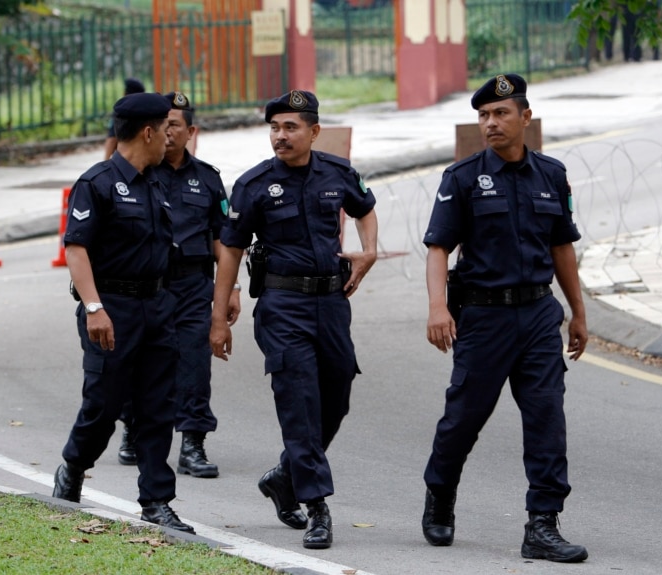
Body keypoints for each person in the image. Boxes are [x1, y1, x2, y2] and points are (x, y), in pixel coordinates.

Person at [419, 73, 588, 563]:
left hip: (538, 314)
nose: (490, 123)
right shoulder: (464, 179)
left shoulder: (551, 175)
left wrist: (578, 312)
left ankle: (542, 524)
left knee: (546, 418)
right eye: (484, 116)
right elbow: (437, 248)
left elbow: (562, 246)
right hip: (484, 317)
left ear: (525, 118)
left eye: (500, 114)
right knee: (463, 419)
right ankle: (441, 494)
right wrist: (435, 307)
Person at [209, 90, 378, 550]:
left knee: (337, 393)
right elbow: (231, 250)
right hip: (283, 305)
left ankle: (286, 474)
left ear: (314, 131)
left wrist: (370, 250)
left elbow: (365, 208)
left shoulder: (337, 173)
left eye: (290, 128)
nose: (280, 137)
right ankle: (317, 506)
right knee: (299, 399)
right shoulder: (254, 184)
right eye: (275, 128)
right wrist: (219, 315)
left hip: (331, 302)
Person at [51, 91, 195, 534]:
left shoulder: (155, 182)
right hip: (111, 308)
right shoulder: (97, 183)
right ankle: (73, 468)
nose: (173, 137)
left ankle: (156, 501)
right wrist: (94, 308)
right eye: (167, 129)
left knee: (158, 406)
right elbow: (76, 248)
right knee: (104, 404)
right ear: (148, 132)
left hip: (155, 305)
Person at [117, 91, 239, 477]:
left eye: (175, 125)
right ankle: (133, 429)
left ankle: (192, 443)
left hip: (191, 286)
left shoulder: (207, 179)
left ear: (191, 131)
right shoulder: (134, 175)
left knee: (194, 363)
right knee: (139, 361)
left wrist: (231, 288)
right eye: (162, 124)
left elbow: (225, 240)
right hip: (146, 285)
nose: (167, 132)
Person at [103, 77, 145, 161]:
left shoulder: (121, 111)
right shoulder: (147, 110)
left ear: (125, 93)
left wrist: (105, 162)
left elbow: (112, 139)